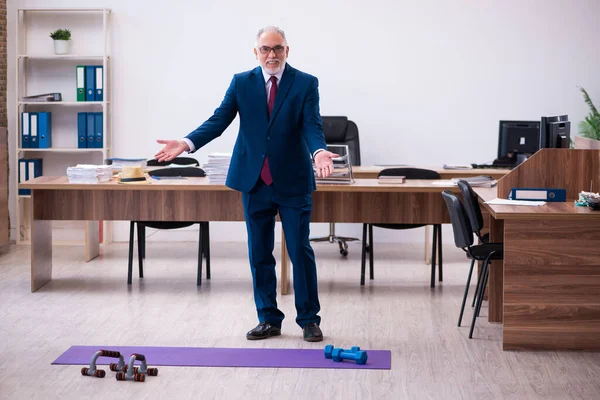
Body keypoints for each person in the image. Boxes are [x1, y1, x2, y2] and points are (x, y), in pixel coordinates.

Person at [154, 26, 338, 342]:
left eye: (277, 48)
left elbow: (311, 125)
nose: (272, 55)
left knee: (299, 250)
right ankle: (268, 318)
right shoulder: (242, 82)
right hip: (255, 181)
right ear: (256, 52)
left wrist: (320, 151)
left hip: (292, 180)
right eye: (265, 49)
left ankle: (309, 319)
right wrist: (186, 143)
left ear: (287, 51)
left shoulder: (305, 83)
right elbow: (219, 120)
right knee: (259, 253)